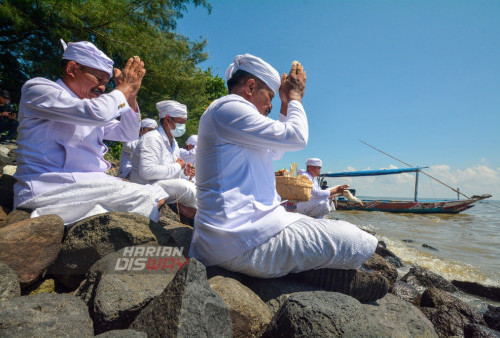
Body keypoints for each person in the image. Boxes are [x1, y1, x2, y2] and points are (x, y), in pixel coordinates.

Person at [189, 54, 388, 302]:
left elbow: (277, 149)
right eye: (269, 97)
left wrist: (285, 103)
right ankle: (313, 273)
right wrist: (295, 97)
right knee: (361, 242)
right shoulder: (230, 108)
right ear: (250, 87)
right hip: (242, 241)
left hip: (237, 236)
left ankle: (306, 271)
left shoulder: (227, 116)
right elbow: (296, 137)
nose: (271, 106)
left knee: (338, 238)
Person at [13, 40, 167, 225]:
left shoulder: (88, 106)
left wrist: (131, 95)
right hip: (49, 189)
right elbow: (98, 113)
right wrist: (124, 88)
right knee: (145, 197)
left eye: (106, 82)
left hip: (84, 185)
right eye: (99, 79)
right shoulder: (38, 89)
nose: (103, 88)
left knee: (157, 192)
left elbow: (127, 133)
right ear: (72, 69)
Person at [130, 100, 197, 219]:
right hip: (145, 184)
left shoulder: (174, 143)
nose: (183, 127)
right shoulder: (152, 138)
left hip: (161, 183)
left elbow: (171, 172)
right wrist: (177, 167)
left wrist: (184, 172)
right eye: (181, 123)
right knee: (188, 188)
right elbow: (147, 172)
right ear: (167, 120)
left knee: (198, 189)